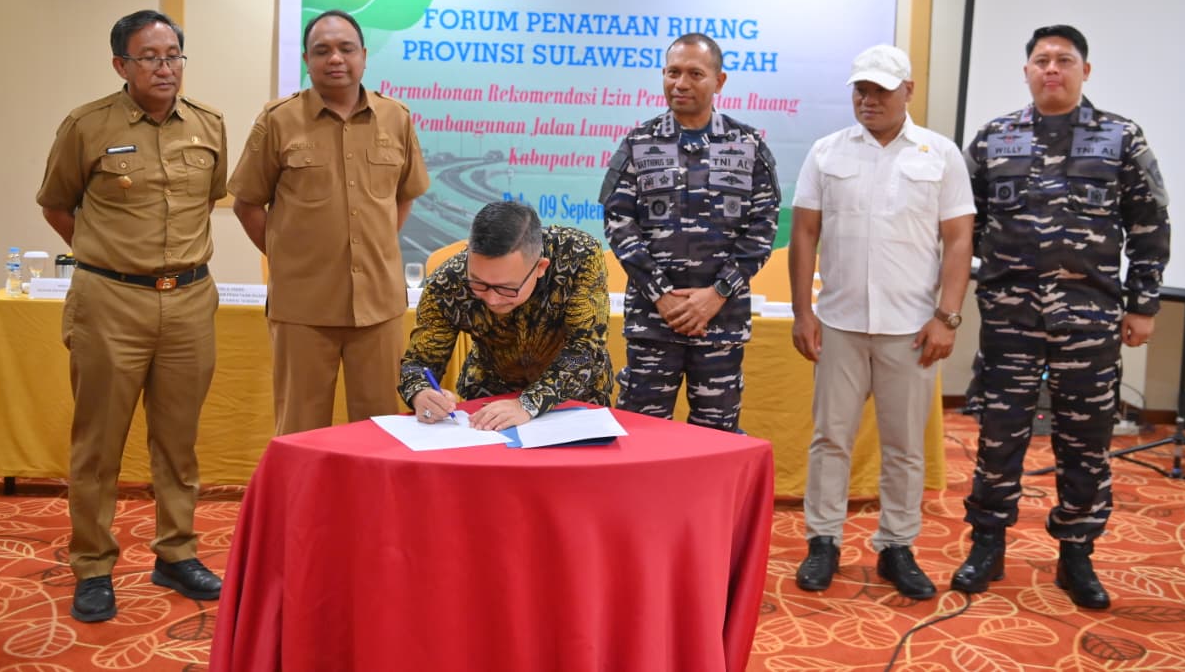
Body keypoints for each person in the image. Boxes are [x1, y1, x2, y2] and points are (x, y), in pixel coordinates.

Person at [951, 24, 1171, 610]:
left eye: (1065, 60)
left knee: (1086, 440)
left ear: (1084, 71)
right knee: (999, 436)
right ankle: (987, 544)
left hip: (1089, 320)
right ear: (1026, 70)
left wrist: (1143, 304)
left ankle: (1077, 553)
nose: (1052, 68)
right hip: (1010, 320)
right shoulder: (994, 138)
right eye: (1042, 60)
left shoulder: (1121, 137)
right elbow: (960, 224)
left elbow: (1150, 224)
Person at [36, 9, 227, 623]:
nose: (165, 68)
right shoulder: (86, 125)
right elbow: (57, 205)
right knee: (98, 443)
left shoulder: (209, 125)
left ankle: (176, 552)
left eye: (173, 56)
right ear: (121, 64)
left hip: (189, 300)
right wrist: (108, 258)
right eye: (150, 57)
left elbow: (209, 200)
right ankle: (93, 564)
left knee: (178, 441)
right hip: (111, 302)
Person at [789, 44, 974, 599]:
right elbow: (804, 233)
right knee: (830, 439)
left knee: (904, 446)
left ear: (908, 91)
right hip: (840, 323)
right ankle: (823, 540)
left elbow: (958, 239)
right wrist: (803, 312)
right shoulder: (826, 152)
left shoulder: (940, 154)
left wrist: (947, 317)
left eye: (881, 91)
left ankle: (897, 545)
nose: (869, 100)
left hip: (912, 328)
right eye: (861, 90)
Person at [230, 9, 430, 434]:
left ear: (364, 56)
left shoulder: (396, 117)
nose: (335, 58)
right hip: (302, 307)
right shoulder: (278, 120)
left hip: (378, 306)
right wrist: (290, 256)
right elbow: (247, 204)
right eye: (322, 51)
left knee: (380, 430)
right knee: (300, 430)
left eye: (346, 49)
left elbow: (404, 195)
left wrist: (372, 246)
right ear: (307, 60)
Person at [600, 33, 780, 432]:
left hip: (720, 321)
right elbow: (619, 221)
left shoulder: (747, 145)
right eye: (673, 72)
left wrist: (717, 294)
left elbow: (763, 227)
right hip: (653, 322)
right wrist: (661, 295)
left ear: (719, 80)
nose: (681, 83)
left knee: (716, 437)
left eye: (695, 74)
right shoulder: (639, 143)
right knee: (642, 435)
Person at [399, 201, 613, 430]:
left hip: (573, 399)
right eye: (478, 284)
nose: (492, 299)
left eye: (507, 288)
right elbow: (418, 363)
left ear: (540, 268)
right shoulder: (448, 281)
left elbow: (586, 347)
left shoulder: (578, 255)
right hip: (491, 397)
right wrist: (420, 392)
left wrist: (528, 403)